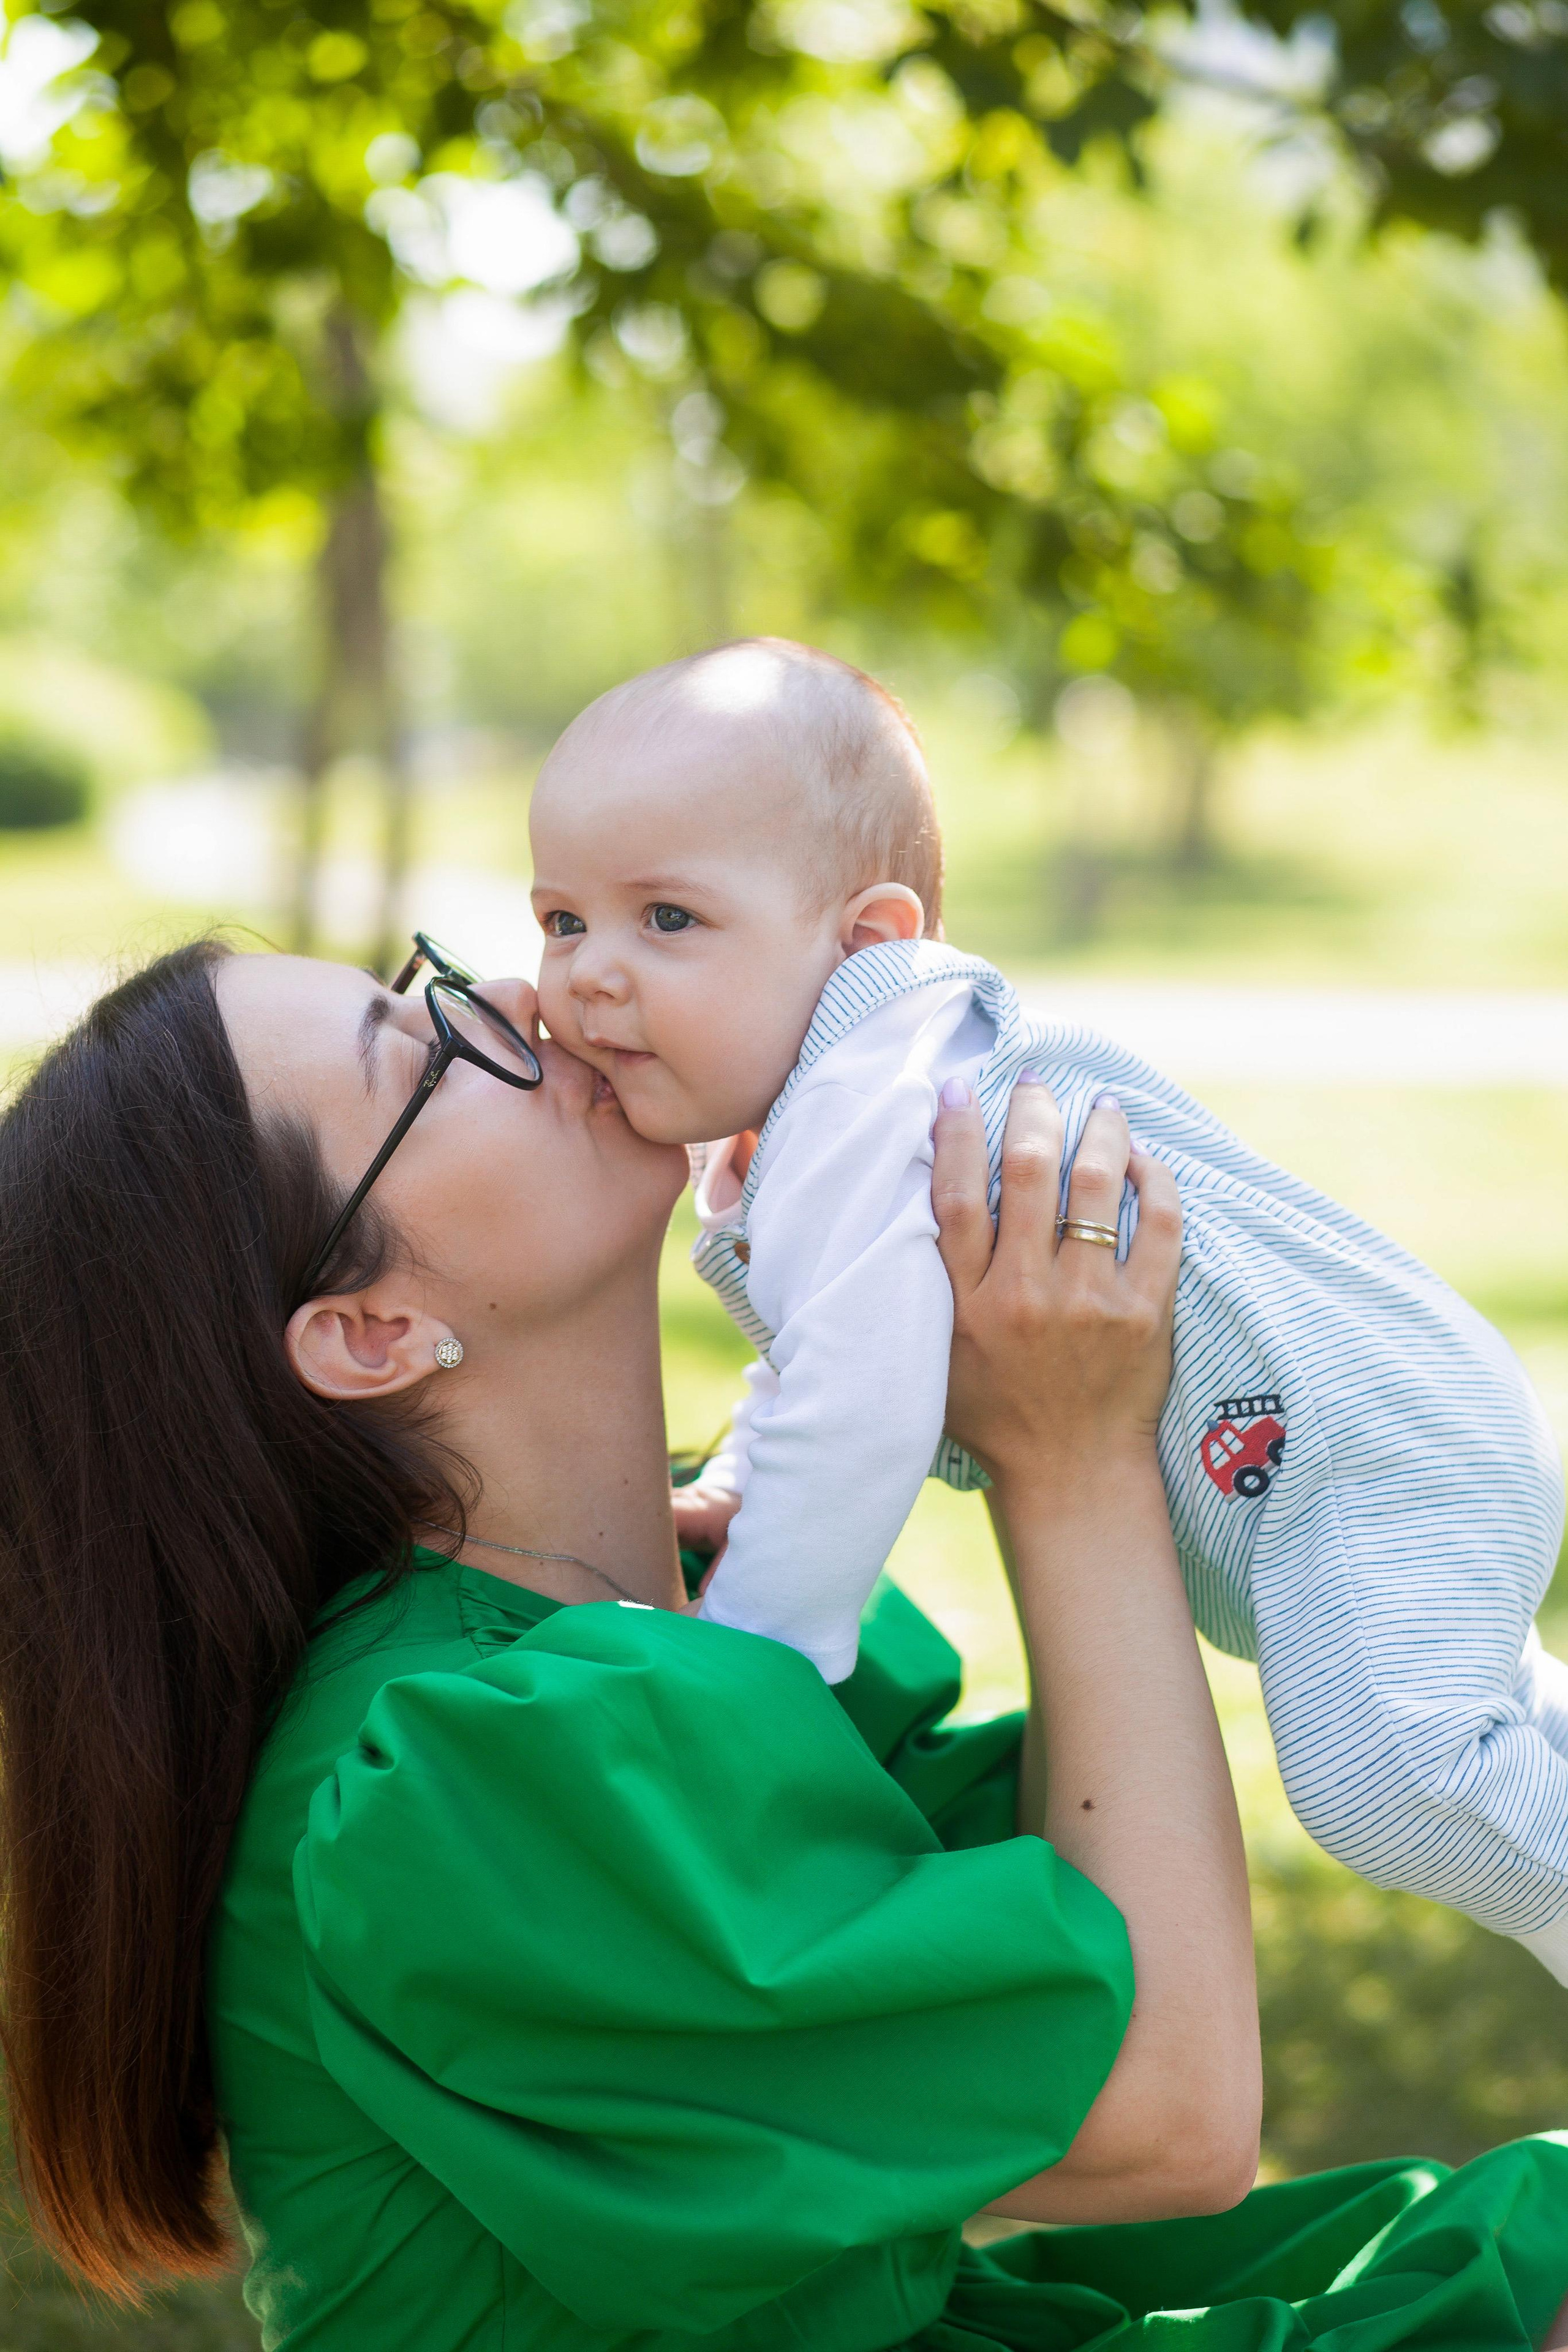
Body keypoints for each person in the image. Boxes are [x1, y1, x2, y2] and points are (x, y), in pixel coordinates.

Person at [0, 934, 1564, 2352]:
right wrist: (1069, 1458)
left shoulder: (667, 1620)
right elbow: (1162, 2113)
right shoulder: (446, 1780)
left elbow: (1086, 1938)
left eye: (434, 982)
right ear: (370, 1332)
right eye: (421, 1051)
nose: (525, 1000)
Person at [527, 634, 1568, 1985]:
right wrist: (743, 1476)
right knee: (1487, 1728)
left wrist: (750, 1661)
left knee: (1388, 1782)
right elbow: (829, 1338)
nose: (591, 974)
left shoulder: (860, 1096)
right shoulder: (847, 1090)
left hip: (1360, 1447)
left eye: (667, 919)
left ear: (865, 940)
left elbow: (856, 1402)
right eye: (562, 921)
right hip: (1379, 1422)